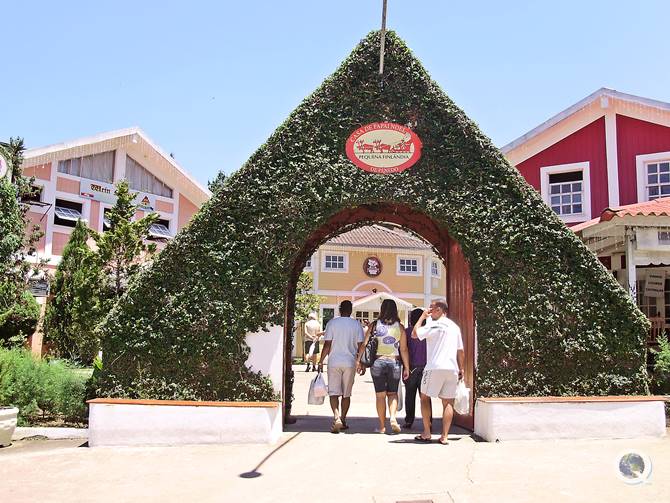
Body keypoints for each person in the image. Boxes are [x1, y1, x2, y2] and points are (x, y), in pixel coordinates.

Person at [412, 299, 464, 445]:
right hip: (451, 368)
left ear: (440, 310)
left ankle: (427, 433)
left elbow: (415, 334)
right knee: (448, 402)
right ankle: (444, 436)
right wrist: (462, 368)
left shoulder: (433, 324)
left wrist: (422, 317)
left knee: (424, 397)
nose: (429, 310)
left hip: (434, 367)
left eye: (432, 308)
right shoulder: (454, 327)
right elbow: (461, 350)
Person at [356, 299, 410, 434]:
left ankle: (382, 426)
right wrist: (407, 367)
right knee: (392, 394)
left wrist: (358, 361)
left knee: (380, 396)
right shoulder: (400, 327)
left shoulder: (374, 325)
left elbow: (364, 344)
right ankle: (393, 418)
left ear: (382, 309)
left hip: (378, 363)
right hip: (394, 362)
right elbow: (403, 349)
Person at [317, 300, 365, 433]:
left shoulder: (332, 323)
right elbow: (361, 345)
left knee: (333, 392)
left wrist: (321, 361)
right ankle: (343, 419)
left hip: (334, 362)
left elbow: (327, 344)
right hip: (350, 362)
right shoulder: (356, 325)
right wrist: (361, 362)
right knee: (346, 394)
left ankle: (336, 417)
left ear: (339, 310)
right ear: (351, 311)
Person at [403, 307, 431, 429]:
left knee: (410, 395)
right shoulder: (428, 332)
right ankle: (428, 421)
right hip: (426, 366)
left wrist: (405, 366)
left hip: (411, 366)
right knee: (425, 396)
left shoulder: (407, 332)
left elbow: (403, 349)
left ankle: (409, 420)